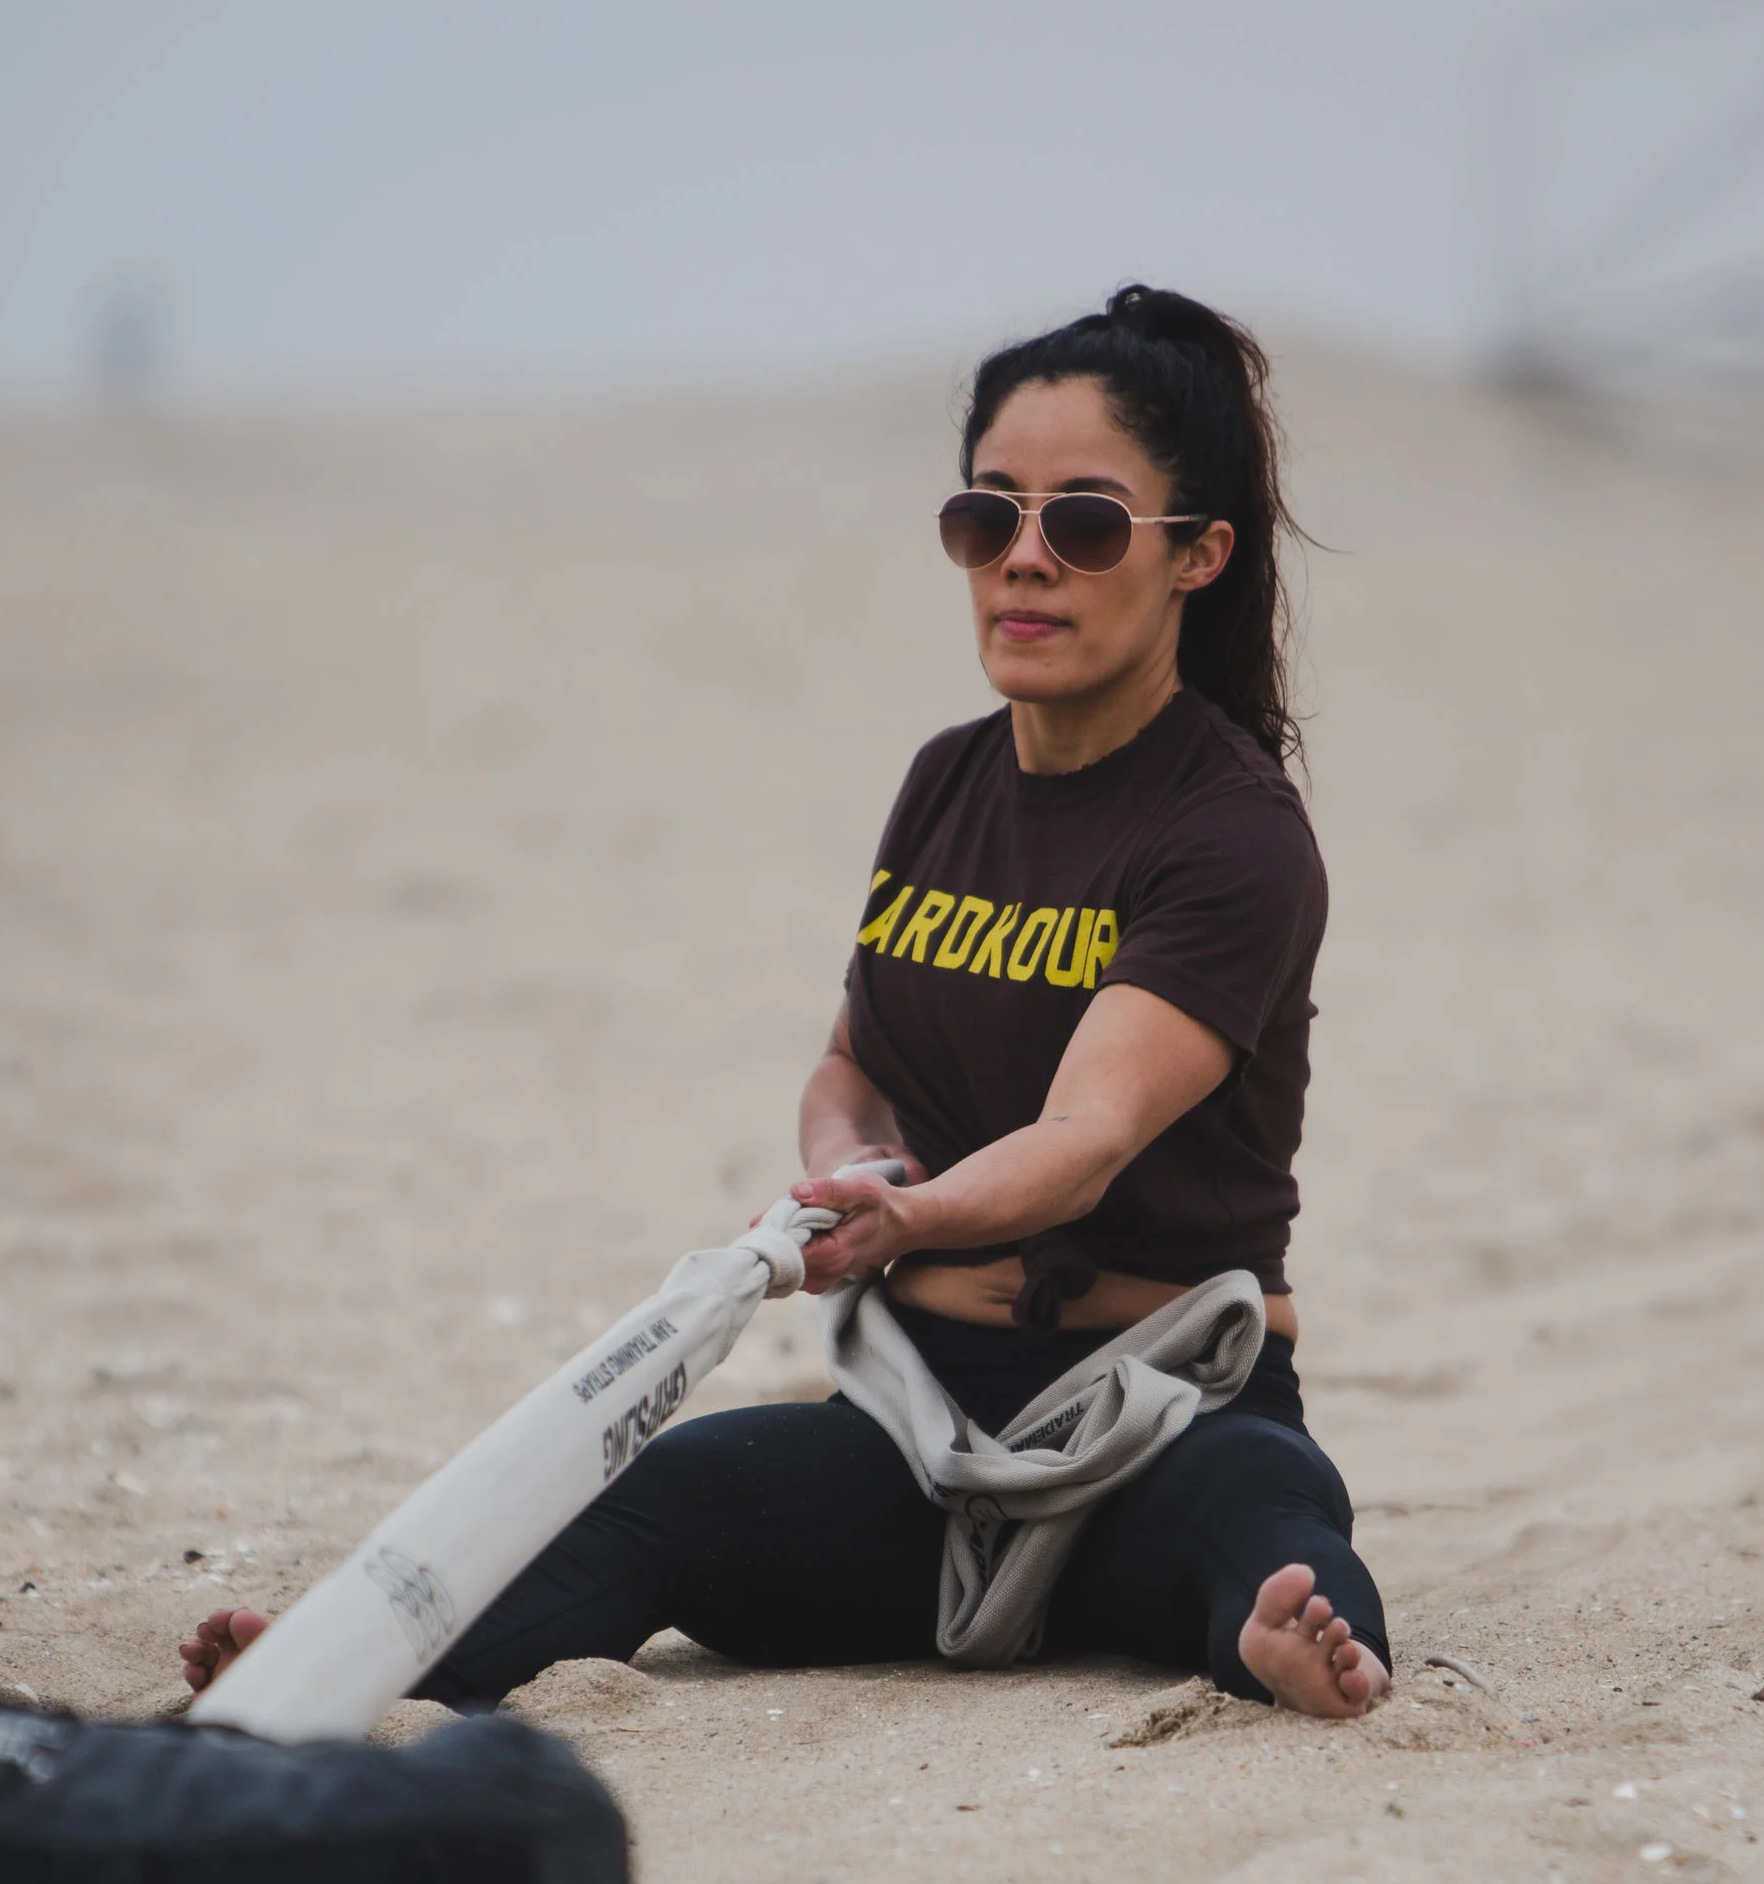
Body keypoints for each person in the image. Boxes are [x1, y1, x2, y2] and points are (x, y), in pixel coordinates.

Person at [184, 285, 1389, 1722]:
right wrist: (849, 1163)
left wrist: (913, 1219)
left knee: (1267, 1512)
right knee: (661, 1497)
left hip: (1166, 1413)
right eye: (986, 515)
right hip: (919, 1428)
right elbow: (849, 1067)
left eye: (1082, 522)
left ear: (1197, 553)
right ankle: (349, 1669)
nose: (1023, 557)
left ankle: (1285, 1647)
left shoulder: (1234, 832)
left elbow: (1088, 1137)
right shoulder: (947, 781)